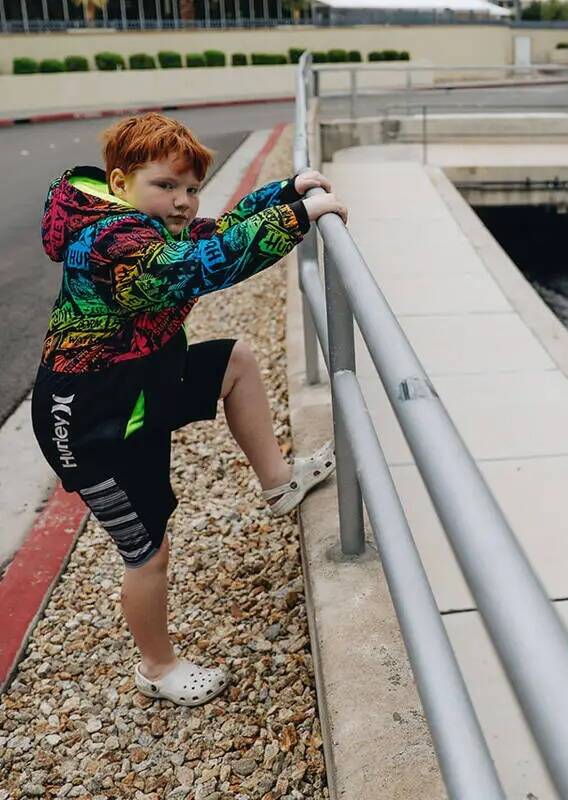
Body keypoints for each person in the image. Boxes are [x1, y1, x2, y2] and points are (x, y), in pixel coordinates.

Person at [31, 112, 347, 707]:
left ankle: (279, 484)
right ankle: (156, 666)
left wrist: (285, 192)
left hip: (139, 388)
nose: (182, 202)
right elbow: (197, 267)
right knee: (146, 550)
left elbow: (211, 234)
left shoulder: (139, 222)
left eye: (191, 187)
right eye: (166, 186)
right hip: (92, 421)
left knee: (235, 362)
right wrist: (298, 220)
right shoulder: (112, 241)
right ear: (121, 182)